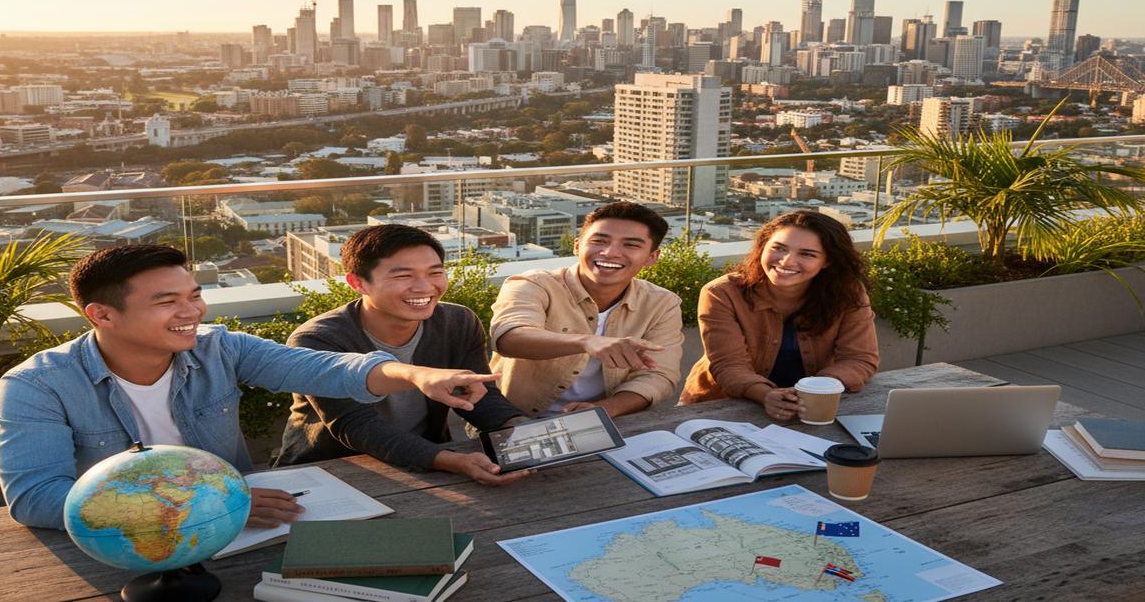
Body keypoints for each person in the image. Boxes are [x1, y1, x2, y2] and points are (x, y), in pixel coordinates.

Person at [0, 244, 498, 530]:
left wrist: (415, 374)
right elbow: (37, 497)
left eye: (194, 296)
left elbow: (327, 371)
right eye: (168, 302)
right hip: (125, 541)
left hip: (244, 529)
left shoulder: (219, 347)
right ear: (101, 315)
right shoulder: (37, 386)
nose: (192, 313)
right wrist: (204, 505)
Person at [275, 225, 532, 486]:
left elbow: (477, 396)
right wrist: (450, 461)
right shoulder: (318, 339)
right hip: (334, 470)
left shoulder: (457, 321)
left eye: (435, 272)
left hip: (428, 460)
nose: (424, 287)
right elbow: (356, 426)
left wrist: (523, 428)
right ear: (358, 283)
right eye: (403, 276)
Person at [489, 202, 684, 417]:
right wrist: (588, 342)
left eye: (631, 245)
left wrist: (602, 410)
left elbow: (659, 375)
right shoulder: (533, 283)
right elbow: (509, 338)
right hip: (515, 420)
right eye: (599, 241)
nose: (610, 253)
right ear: (577, 246)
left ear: (651, 257)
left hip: (607, 419)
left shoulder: (662, 303)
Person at [680, 210, 879, 419]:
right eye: (778, 248)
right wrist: (767, 395)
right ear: (762, 247)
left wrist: (815, 390)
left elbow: (860, 358)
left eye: (807, 254)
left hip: (810, 408)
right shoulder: (722, 293)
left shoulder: (847, 293)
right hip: (718, 407)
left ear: (828, 261)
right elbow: (729, 365)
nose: (786, 261)